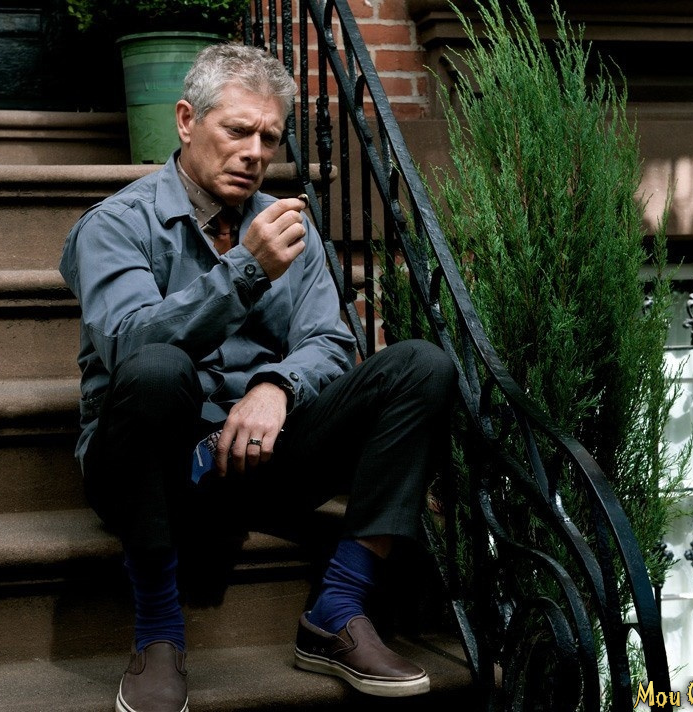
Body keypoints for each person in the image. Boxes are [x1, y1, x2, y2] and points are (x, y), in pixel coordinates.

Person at [59, 43, 455, 712]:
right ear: (187, 121)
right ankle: (158, 633)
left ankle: (338, 608)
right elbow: (130, 346)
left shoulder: (288, 225)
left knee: (421, 365)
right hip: (152, 471)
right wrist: (246, 269)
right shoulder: (117, 225)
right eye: (237, 130)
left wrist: (277, 388)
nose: (254, 152)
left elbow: (331, 341)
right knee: (157, 368)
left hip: (261, 461)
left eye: (269, 138)